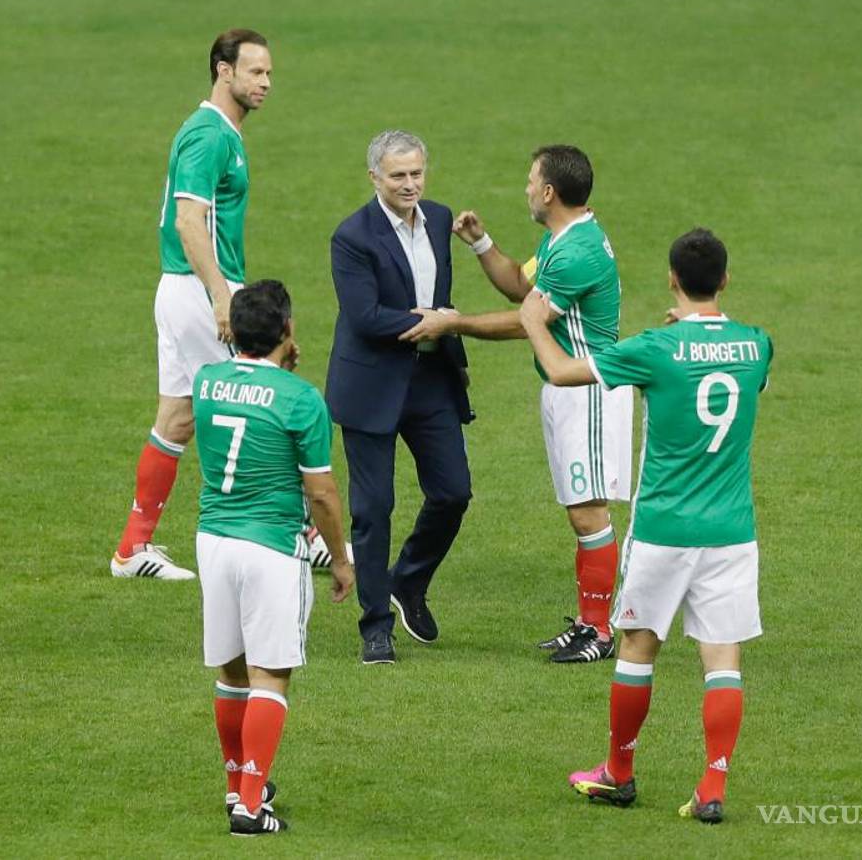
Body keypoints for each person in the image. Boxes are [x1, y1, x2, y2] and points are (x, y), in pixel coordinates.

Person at [519, 228, 772, 825]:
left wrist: (534, 321)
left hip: (663, 527)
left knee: (636, 648)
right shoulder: (757, 345)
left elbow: (559, 372)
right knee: (723, 658)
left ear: (672, 279)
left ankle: (619, 772)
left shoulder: (654, 347)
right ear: (726, 280)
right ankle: (713, 786)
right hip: (732, 530)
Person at [401, 145, 632, 663]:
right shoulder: (564, 239)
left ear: (550, 192)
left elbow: (525, 320)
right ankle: (592, 624)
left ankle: (599, 631)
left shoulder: (577, 253)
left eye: (531, 181)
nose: (526, 188)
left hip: (587, 391)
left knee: (589, 513)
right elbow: (520, 288)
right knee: (581, 511)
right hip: (566, 389)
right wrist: (481, 242)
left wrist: (450, 321)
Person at [110, 28, 273, 580]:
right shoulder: (209, 137)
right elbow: (187, 220)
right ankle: (285, 534)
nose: (265, 82)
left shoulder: (219, 132)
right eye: (255, 71)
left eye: (269, 73)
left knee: (177, 419)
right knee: (246, 403)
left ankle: (133, 549)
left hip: (182, 289)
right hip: (199, 289)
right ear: (223, 71)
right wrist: (223, 295)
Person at [194, 280, 354, 837]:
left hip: (213, 539)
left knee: (232, 670)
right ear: (287, 331)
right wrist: (341, 559)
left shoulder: (206, 382)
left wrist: (275, 371)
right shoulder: (302, 399)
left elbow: (248, 404)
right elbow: (323, 495)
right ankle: (250, 806)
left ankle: (237, 781)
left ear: (232, 331)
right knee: (271, 675)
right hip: (271, 547)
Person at [325, 130, 473, 665]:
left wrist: (441, 321)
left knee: (454, 492)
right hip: (371, 384)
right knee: (373, 508)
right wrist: (432, 321)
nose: (410, 184)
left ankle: (406, 582)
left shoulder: (438, 218)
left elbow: (441, 295)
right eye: (398, 176)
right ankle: (374, 627)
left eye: (416, 173)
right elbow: (364, 317)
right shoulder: (352, 237)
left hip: (430, 380)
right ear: (374, 178)